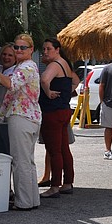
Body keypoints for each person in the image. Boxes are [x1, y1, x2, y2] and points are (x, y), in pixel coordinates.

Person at [0, 33, 42, 211]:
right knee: (27, 161)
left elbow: (11, 84)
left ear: (31, 50)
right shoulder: (27, 65)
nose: (18, 50)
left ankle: (23, 201)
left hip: (21, 117)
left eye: (22, 48)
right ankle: (32, 200)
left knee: (20, 161)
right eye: (16, 47)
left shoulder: (26, 67)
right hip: (29, 117)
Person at [38, 38, 80, 199]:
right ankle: (67, 182)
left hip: (52, 111)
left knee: (54, 150)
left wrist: (48, 92)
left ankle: (55, 186)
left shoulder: (55, 65)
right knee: (63, 149)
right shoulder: (65, 64)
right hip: (63, 110)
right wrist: (66, 92)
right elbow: (76, 81)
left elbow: (44, 79)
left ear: (57, 49)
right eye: (44, 49)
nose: (45, 52)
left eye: (48, 49)